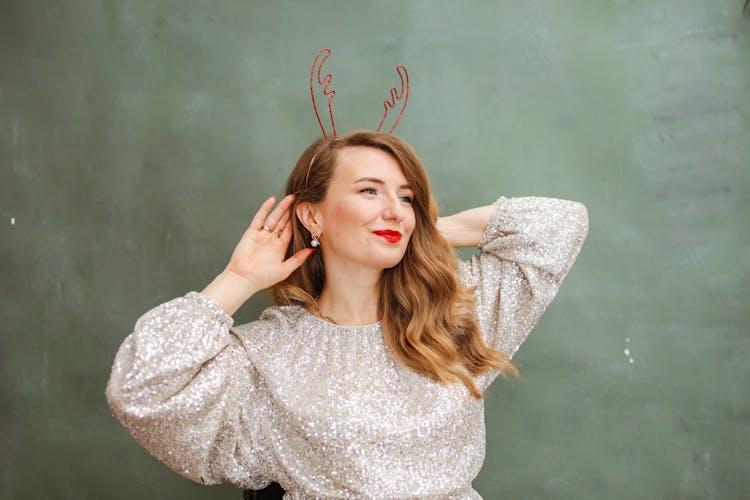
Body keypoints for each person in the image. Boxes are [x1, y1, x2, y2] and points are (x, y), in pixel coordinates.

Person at [106, 130, 589, 499]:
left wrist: (417, 230)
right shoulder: (266, 356)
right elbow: (141, 386)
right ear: (312, 215)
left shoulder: (454, 315)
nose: (395, 209)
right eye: (369, 191)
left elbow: (559, 224)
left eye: (406, 197)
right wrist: (239, 278)